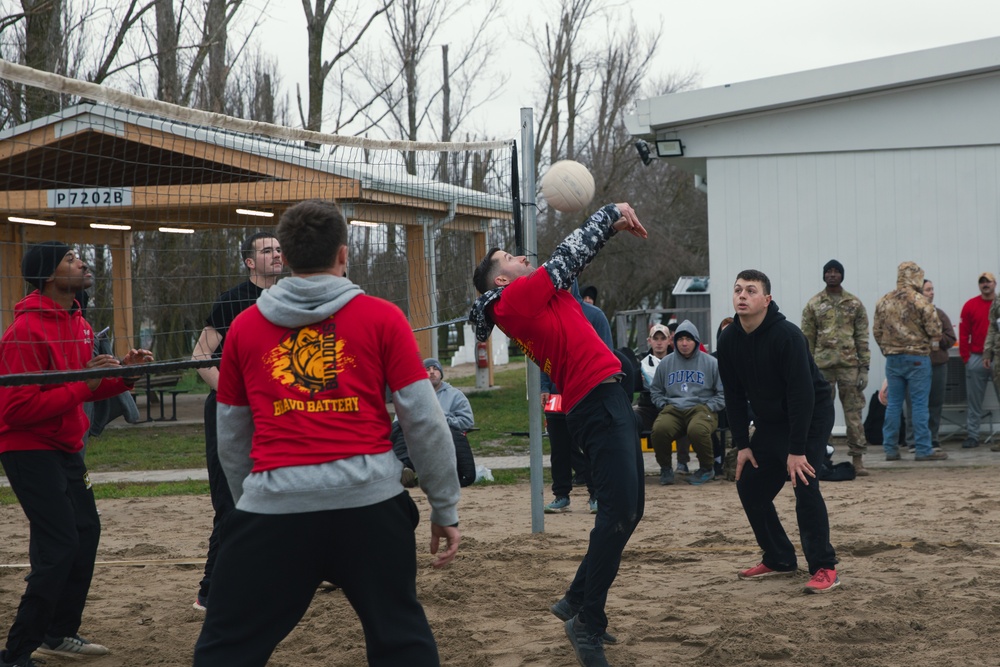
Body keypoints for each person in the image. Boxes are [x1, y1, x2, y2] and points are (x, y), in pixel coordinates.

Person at [193, 199, 460, 666]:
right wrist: (444, 505)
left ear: (287, 258)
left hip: (273, 510)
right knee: (401, 639)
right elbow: (424, 421)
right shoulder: (383, 317)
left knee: (226, 648)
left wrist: (249, 504)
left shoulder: (245, 327)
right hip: (369, 508)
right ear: (343, 254)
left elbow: (232, 437)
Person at [470, 202, 646, 667]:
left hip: (607, 398)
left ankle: (575, 599)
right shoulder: (514, 300)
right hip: (595, 403)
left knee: (631, 511)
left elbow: (570, 262)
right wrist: (609, 213)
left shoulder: (531, 298)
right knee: (616, 514)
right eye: (511, 257)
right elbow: (569, 254)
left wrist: (609, 231)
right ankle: (587, 621)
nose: (524, 258)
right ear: (502, 280)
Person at [0, 241, 153, 667]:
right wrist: (85, 385)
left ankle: (58, 632)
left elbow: (79, 389)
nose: (81, 262)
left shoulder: (78, 322)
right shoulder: (24, 332)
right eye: (70, 258)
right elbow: (17, 409)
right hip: (27, 447)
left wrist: (123, 375)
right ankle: (16, 653)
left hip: (66, 445)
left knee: (85, 533)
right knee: (60, 545)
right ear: (50, 275)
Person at [716, 269, 841, 594]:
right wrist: (742, 444)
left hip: (810, 416)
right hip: (771, 421)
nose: (742, 295)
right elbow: (732, 394)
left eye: (751, 291)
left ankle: (825, 567)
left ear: (766, 300)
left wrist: (797, 451)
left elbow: (803, 396)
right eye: (738, 289)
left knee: (804, 481)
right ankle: (780, 557)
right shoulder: (729, 339)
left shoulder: (787, 336)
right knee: (750, 486)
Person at [189, 231, 282, 611]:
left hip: (277, 410)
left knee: (284, 488)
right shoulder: (233, 301)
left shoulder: (291, 296)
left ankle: (300, 567)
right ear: (249, 262)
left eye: (279, 249)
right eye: (266, 250)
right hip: (231, 413)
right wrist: (233, 396)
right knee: (231, 498)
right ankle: (211, 589)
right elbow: (199, 356)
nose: (276, 254)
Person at [541, 282, 614, 514]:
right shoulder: (549, 316)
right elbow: (545, 355)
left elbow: (607, 353)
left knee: (591, 446)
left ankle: (596, 496)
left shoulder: (595, 315)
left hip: (586, 391)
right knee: (559, 448)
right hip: (556, 392)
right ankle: (561, 495)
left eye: (566, 284)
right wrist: (544, 385)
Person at [800, 259, 871, 475]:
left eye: (836, 272)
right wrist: (806, 367)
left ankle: (857, 459)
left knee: (853, 413)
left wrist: (864, 368)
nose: (832, 275)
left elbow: (862, 336)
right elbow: (807, 338)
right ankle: (823, 456)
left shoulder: (854, 304)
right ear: (824, 276)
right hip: (822, 367)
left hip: (849, 366)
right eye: (828, 272)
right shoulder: (814, 304)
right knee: (821, 414)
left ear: (842, 275)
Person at [872, 261, 946, 462]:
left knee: (894, 404)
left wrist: (887, 350)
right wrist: (927, 345)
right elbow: (936, 331)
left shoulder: (884, 301)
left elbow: (877, 331)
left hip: (893, 359)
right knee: (920, 404)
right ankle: (923, 449)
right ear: (916, 277)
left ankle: (890, 449)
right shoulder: (921, 301)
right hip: (918, 358)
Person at [649, 320, 725, 486]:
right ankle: (666, 468)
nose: (684, 343)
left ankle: (707, 468)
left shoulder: (711, 363)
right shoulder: (666, 363)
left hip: (701, 408)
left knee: (697, 429)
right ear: (674, 342)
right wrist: (663, 404)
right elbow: (655, 390)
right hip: (673, 408)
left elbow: (722, 393)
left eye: (688, 339)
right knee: (659, 429)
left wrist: (709, 407)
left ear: (696, 341)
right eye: (680, 339)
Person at [391, 358, 476, 487]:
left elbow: (467, 421)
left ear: (441, 373)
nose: (432, 372)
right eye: (427, 369)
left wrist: (444, 420)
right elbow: (397, 421)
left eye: (435, 369)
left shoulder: (455, 395)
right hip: (417, 435)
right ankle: (404, 470)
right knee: (399, 428)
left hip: (442, 435)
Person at [904, 280, 956, 452]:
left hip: (937, 365)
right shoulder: (910, 316)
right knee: (913, 404)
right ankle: (912, 441)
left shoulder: (939, 314)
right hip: (915, 366)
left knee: (935, 403)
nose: (931, 293)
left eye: (932, 289)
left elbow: (951, 338)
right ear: (919, 292)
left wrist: (938, 338)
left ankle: (932, 438)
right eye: (928, 290)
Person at [959, 272, 999, 448]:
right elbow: (963, 332)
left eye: (988, 281)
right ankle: (973, 435)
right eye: (982, 282)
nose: (985, 284)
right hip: (976, 357)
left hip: (997, 358)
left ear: (994, 283)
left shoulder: (998, 305)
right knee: (974, 400)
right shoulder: (970, 305)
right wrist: (966, 358)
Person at [633, 323, 672, 434]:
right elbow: (634, 385)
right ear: (649, 341)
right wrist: (639, 378)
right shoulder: (640, 361)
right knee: (629, 419)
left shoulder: (677, 360)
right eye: (655, 338)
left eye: (663, 338)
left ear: (669, 340)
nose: (659, 342)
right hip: (647, 407)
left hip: (672, 407)